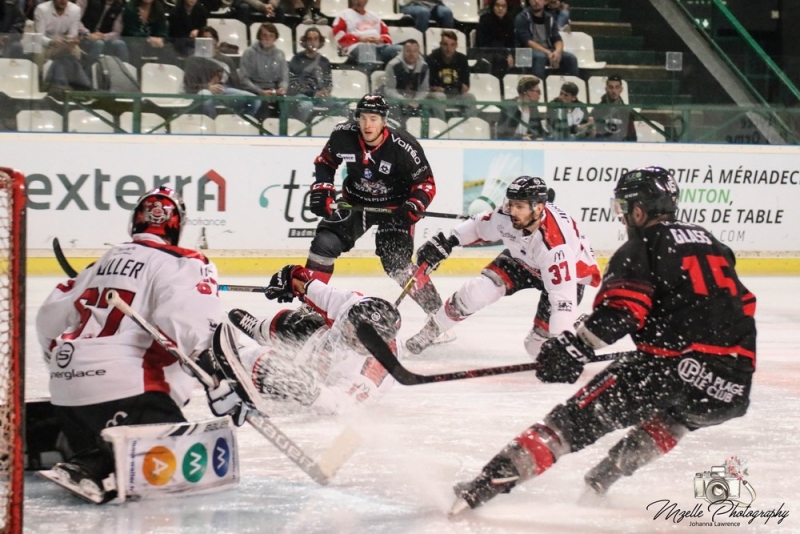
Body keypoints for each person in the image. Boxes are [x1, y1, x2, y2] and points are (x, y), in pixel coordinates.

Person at [449, 167, 757, 514]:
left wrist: (573, 348)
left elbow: (623, 312)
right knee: (675, 418)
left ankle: (481, 488)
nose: (623, 215)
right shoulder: (714, 244)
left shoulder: (642, 247)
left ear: (638, 211)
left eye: (624, 207)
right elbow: (744, 306)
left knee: (568, 423)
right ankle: (602, 479)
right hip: (733, 383)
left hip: (668, 367)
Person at [35, 186, 246, 503]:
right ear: (176, 225)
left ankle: (59, 438)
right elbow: (195, 327)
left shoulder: (96, 267)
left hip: (66, 398)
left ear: (136, 221)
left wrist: (62, 366)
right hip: (126, 396)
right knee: (202, 455)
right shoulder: (186, 261)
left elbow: (48, 321)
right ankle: (96, 462)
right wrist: (220, 374)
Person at [406, 175, 599, 355]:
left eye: (520, 206)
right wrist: (448, 242)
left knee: (535, 347)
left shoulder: (555, 247)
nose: (512, 211)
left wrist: (560, 342)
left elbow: (562, 302)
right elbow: (478, 227)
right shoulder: (507, 215)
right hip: (522, 260)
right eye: (511, 204)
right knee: (475, 292)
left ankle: (578, 331)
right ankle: (431, 330)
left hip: (567, 274)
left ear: (538, 209)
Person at [305, 93, 444, 316]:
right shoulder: (343, 135)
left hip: (395, 209)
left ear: (384, 121)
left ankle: (438, 316)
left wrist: (415, 203)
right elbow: (326, 161)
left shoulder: (403, 145)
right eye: (363, 118)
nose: (368, 124)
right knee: (324, 243)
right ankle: (310, 307)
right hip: (355, 203)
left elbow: (426, 183)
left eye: (374, 118)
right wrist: (322, 187)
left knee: (396, 262)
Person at [226, 264, 403, 414]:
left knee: (274, 372)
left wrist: (305, 388)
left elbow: (338, 405)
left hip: (323, 379)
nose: (346, 328)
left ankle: (237, 357)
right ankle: (259, 329)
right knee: (292, 322)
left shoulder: (371, 375)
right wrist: (291, 278)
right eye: (348, 324)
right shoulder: (355, 306)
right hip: (321, 344)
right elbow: (314, 290)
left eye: (352, 331)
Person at [183, 26, 261, 118]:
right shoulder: (192, 60)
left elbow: (236, 85)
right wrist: (208, 87)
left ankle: (240, 124)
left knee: (255, 100)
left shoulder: (226, 60)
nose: (208, 42)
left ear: (216, 41)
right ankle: (212, 126)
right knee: (206, 95)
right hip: (202, 92)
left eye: (211, 39)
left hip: (224, 91)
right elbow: (189, 86)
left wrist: (222, 80)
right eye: (204, 39)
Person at [514, 0, 578, 82]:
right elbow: (527, 41)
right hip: (525, 51)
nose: (536, 1)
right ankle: (537, 87)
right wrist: (547, 52)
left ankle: (571, 89)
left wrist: (558, 51)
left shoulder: (549, 18)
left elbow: (557, 39)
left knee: (571, 58)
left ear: (545, 2)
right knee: (540, 57)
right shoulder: (522, 17)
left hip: (547, 51)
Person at [382, 38, 442, 124]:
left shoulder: (424, 67)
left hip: (415, 100)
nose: (411, 54)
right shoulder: (393, 65)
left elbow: (424, 89)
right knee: (393, 107)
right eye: (408, 51)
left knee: (428, 105)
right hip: (396, 100)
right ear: (403, 51)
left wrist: (417, 100)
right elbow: (389, 89)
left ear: (418, 52)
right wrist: (404, 100)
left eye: (414, 51)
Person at [239, 22, 289, 117]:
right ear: (259, 36)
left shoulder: (280, 54)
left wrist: (282, 88)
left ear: (275, 38)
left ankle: (282, 131)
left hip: (274, 91)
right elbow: (244, 79)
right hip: (254, 90)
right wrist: (260, 91)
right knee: (263, 105)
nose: (268, 39)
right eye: (264, 35)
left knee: (285, 104)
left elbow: (284, 78)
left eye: (271, 36)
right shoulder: (249, 52)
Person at [331, 0, 400, 66]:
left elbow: (386, 34)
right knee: (366, 52)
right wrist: (359, 39)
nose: (357, 1)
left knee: (400, 50)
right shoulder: (344, 15)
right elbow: (338, 36)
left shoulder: (374, 16)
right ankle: (369, 76)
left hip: (379, 45)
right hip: (358, 46)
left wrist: (381, 40)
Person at [426, 30, 477, 119]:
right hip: (437, 95)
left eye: (452, 45)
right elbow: (430, 86)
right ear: (440, 44)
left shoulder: (462, 59)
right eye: (445, 44)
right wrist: (447, 86)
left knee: (470, 98)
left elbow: (466, 87)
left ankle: (469, 127)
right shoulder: (432, 58)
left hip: (456, 94)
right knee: (440, 97)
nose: (448, 48)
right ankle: (441, 127)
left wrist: (455, 85)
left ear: (456, 45)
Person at [287, 26, 333, 123]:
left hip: (320, 96)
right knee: (306, 106)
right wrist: (312, 93)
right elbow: (293, 84)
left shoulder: (324, 61)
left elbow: (328, 82)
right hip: (301, 95)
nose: (313, 42)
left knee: (341, 105)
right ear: (305, 41)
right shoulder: (297, 59)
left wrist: (326, 91)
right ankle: (299, 131)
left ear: (320, 41)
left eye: (316, 39)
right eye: (310, 39)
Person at [121, 0, 176, 68]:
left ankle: (165, 75)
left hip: (153, 43)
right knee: (136, 48)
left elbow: (162, 29)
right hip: (132, 41)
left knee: (169, 50)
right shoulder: (130, 8)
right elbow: (131, 31)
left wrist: (160, 39)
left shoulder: (158, 8)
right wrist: (148, 39)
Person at [77, 0, 128, 65]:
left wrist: (103, 36)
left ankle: (124, 72)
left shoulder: (119, 7)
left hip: (105, 39)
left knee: (120, 44)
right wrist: (87, 33)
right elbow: (75, 19)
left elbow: (117, 32)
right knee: (99, 44)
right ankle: (89, 71)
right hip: (83, 36)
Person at [474, 0, 515, 80]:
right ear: (493, 6)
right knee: (499, 60)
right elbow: (482, 42)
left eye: (503, 6)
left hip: (503, 53)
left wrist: (510, 54)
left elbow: (511, 41)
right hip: (486, 51)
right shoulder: (484, 19)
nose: (500, 8)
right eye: (497, 5)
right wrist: (505, 53)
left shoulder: (509, 21)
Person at [590, 74, 637, 142]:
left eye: (617, 87)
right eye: (611, 87)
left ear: (621, 89)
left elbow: (632, 136)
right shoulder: (597, 110)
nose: (614, 91)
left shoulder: (627, 111)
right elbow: (593, 135)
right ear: (606, 89)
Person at [496, 75, 545, 140]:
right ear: (527, 92)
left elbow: (538, 131)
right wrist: (520, 137)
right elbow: (502, 132)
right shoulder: (509, 106)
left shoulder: (534, 108)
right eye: (538, 91)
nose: (540, 94)